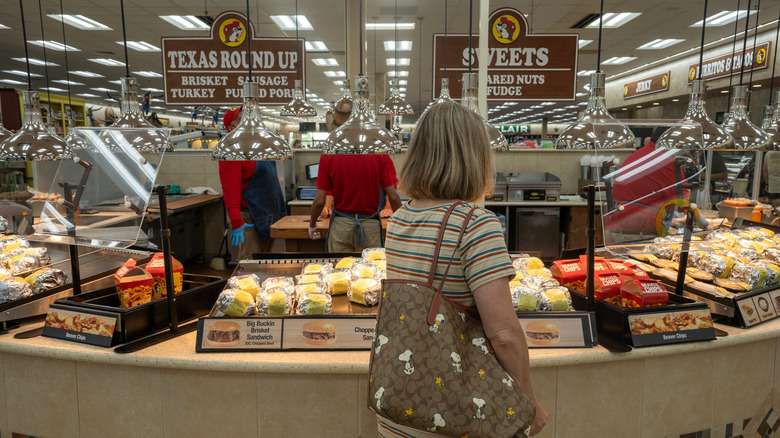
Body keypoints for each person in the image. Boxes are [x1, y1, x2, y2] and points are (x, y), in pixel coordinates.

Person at [376, 100, 547, 437]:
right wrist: (527, 399)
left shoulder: (399, 219)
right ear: (475, 157)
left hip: (399, 407)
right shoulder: (475, 224)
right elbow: (504, 335)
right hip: (453, 416)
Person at [218, 107, 287, 259]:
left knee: (264, 262)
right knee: (249, 265)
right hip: (249, 218)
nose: (248, 122)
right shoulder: (232, 153)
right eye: (242, 119)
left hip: (267, 215)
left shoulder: (258, 148)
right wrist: (236, 223)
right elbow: (230, 191)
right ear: (231, 127)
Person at [606, 127, 691, 240]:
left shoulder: (640, 153)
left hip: (617, 228)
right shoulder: (665, 159)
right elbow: (682, 200)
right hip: (637, 233)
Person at [308, 154, 401, 252]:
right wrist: (403, 225)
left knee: (340, 265)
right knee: (372, 265)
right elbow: (393, 197)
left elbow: (319, 201)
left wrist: (312, 225)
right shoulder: (380, 156)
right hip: (370, 228)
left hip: (341, 228)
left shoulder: (328, 156)